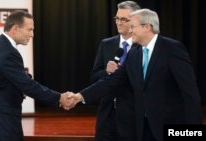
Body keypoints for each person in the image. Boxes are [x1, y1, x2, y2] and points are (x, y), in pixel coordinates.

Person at [69, 9, 203, 141]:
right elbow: (111, 81)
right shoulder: (134, 53)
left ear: (147, 27)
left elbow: (190, 92)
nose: (130, 30)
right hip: (141, 128)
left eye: (133, 26)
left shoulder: (172, 48)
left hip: (170, 124)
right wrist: (80, 96)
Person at [0, 10, 74, 141]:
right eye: (29, 30)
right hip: (0, 125)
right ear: (15, 29)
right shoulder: (8, 52)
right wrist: (59, 98)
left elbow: (9, 79)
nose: (32, 34)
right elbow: (27, 85)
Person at [90, 1, 140, 141]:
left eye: (124, 19)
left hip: (132, 116)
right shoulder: (107, 44)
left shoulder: (142, 46)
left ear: (136, 20)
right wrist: (106, 71)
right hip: (106, 116)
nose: (119, 22)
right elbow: (94, 77)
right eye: (117, 18)